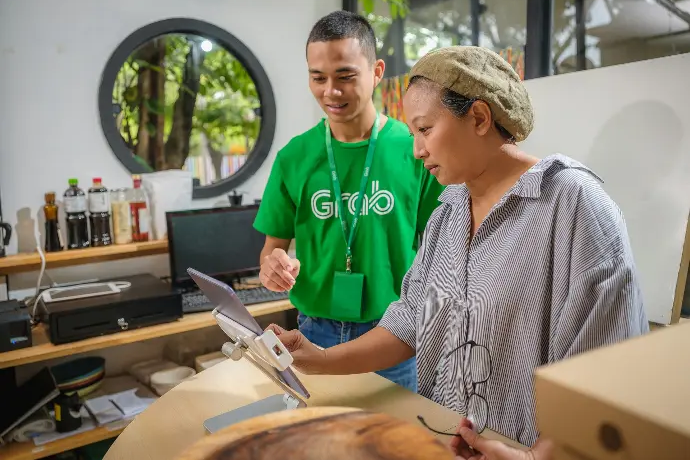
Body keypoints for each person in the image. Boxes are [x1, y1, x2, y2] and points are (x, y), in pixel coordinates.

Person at [265, 45, 649, 459]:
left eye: (425, 130)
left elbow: (605, 370)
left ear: (480, 118)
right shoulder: (448, 213)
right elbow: (409, 322)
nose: (417, 150)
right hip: (443, 442)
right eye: (413, 134)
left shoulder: (573, 203)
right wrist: (319, 358)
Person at [253, 10, 445, 392]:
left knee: (393, 443)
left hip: (393, 335)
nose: (331, 91)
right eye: (318, 77)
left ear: (376, 72)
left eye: (345, 76)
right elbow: (270, 250)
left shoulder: (415, 150)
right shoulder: (294, 156)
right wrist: (271, 267)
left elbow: (442, 247)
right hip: (311, 331)